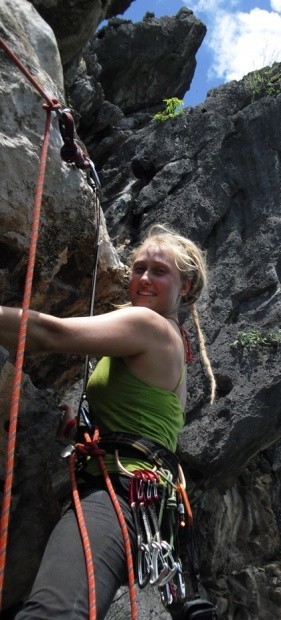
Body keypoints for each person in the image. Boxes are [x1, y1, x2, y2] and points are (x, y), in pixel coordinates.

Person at [0, 224, 215, 619]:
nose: (144, 278)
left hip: (119, 494)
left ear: (184, 286)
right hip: (142, 503)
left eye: (159, 271)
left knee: (52, 612)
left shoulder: (149, 326)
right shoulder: (174, 342)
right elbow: (142, 423)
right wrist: (80, 432)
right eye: (139, 268)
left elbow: (51, 333)